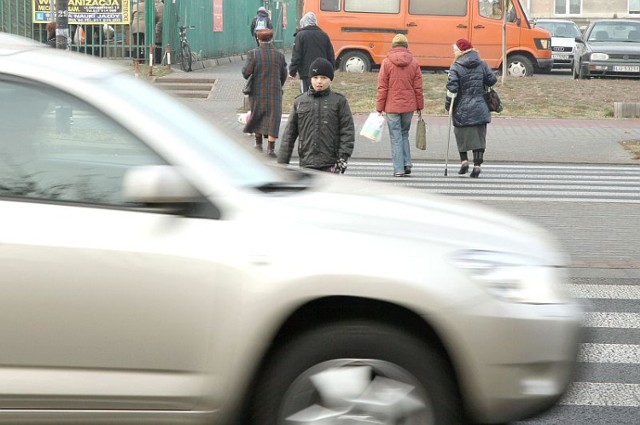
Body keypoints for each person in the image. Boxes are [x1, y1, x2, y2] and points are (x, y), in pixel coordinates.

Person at [278, 58, 355, 173]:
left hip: (330, 161)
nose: (319, 81)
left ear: (330, 80)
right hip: (307, 161)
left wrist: (343, 157)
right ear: (310, 78)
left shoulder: (339, 101)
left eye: (324, 78)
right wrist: (282, 162)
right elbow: (289, 134)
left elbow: (347, 131)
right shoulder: (299, 102)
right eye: (315, 77)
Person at [445, 38, 497, 178]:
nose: (454, 52)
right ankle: (477, 166)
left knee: (461, 135)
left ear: (462, 51)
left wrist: (448, 105)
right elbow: (492, 80)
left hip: (461, 108)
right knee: (479, 138)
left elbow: (452, 89)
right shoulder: (482, 64)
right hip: (480, 106)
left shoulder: (455, 67)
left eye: (455, 50)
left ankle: (464, 162)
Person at [375, 34, 424, 177]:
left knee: (395, 136)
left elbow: (382, 87)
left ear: (393, 45)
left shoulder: (386, 62)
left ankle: (398, 169)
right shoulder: (414, 62)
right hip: (409, 106)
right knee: (404, 134)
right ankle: (407, 163)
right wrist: (420, 106)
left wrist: (379, 108)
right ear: (406, 45)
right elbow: (418, 88)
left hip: (392, 106)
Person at [242, 29, 288, 157]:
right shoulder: (279, 55)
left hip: (257, 91)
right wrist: (278, 85)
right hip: (275, 91)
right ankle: (271, 149)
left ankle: (258, 145)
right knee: (274, 117)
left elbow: (245, 73)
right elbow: (283, 75)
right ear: (271, 39)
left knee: (258, 114)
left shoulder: (253, 54)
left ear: (258, 39)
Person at [288, 12, 335, 94]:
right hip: (322, 72)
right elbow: (331, 55)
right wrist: (330, 72)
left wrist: (292, 72)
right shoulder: (324, 35)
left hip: (306, 73)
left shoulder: (300, 35)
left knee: (306, 96)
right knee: (322, 96)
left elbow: (296, 56)